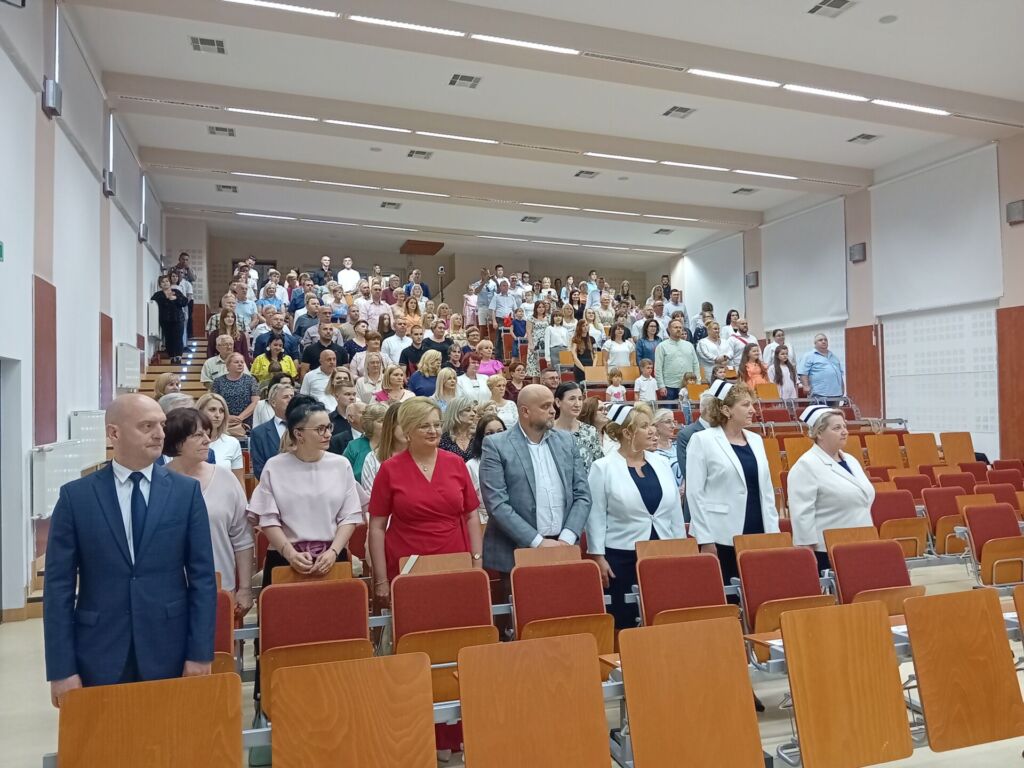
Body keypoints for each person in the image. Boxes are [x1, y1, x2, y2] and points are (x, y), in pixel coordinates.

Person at [44, 394, 216, 703]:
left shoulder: (185, 492)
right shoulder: (76, 498)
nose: (160, 434)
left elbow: (203, 579)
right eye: (147, 426)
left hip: (170, 647)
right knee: (108, 733)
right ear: (114, 433)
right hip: (99, 651)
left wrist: (200, 653)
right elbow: (58, 589)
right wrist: (61, 669)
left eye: (161, 425)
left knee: (168, 732)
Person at [250, 395, 366, 593]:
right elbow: (268, 519)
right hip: (285, 557)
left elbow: (350, 516)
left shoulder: (340, 465)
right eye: (320, 429)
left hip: (331, 557)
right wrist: (290, 553)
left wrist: (334, 551)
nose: (327, 434)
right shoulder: (275, 467)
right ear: (299, 433)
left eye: (329, 427)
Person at [586, 403, 686, 628]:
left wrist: (681, 546)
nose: (652, 430)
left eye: (652, 425)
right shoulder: (603, 467)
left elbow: (674, 512)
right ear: (627, 432)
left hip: (662, 552)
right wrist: (598, 556)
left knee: (664, 617)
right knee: (627, 622)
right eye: (644, 426)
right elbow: (595, 516)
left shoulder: (661, 463)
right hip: (621, 556)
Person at [478, 384, 592, 577]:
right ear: (525, 411)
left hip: (565, 548)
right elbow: (497, 504)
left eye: (552, 405)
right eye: (545, 406)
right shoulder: (496, 445)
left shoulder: (567, 441)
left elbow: (582, 494)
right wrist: (538, 542)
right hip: (517, 552)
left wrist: (567, 538)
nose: (553, 411)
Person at [686, 381, 780, 587]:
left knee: (760, 588)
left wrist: (773, 533)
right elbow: (694, 494)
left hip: (759, 529)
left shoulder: (756, 440)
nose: (753, 410)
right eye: (745, 405)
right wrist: (705, 539)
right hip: (721, 534)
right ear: (726, 410)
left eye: (752, 404)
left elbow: (766, 490)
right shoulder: (702, 440)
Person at [163, 409, 254, 615]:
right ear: (176, 441)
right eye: (198, 435)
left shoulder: (226, 478)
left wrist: (245, 588)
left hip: (220, 586)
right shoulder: (157, 482)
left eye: (207, 433)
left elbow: (243, 539)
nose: (207, 440)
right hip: (168, 591)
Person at [787, 406, 875, 572]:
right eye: (836, 428)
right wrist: (807, 552)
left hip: (862, 542)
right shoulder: (806, 465)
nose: (844, 432)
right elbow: (802, 514)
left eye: (844, 426)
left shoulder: (850, 460)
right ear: (819, 433)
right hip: (827, 551)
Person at [675, 391, 714, 523]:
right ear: (705, 410)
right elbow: (688, 472)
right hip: (698, 500)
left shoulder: (725, 432)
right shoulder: (686, 434)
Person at [553, 382, 603, 475]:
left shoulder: (590, 431)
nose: (577, 404)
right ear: (558, 402)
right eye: (572, 399)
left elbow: (598, 465)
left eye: (580, 399)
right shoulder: (548, 432)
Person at [196, 393, 245, 486]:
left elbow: (239, 482)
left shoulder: (232, 443)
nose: (218, 415)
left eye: (221, 411)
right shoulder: (188, 441)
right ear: (200, 411)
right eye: (212, 409)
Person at [466, 415, 506, 524]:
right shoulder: (471, 465)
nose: (496, 437)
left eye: (500, 431)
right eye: (489, 433)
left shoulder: (514, 460)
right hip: (483, 522)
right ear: (481, 438)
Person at [360, 403, 407, 497]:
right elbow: (371, 497)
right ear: (390, 426)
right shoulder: (372, 458)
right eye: (402, 423)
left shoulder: (422, 455)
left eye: (411, 423)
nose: (407, 428)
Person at [249, 382, 294, 479]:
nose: (290, 400)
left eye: (292, 396)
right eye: (285, 397)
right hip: (273, 484)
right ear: (273, 403)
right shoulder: (259, 433)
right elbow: (259, 469)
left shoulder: (306, 428)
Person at [211, 353, 260, 431]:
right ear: (228, 365)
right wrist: (227, 417)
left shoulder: (251, 380)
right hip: (224, 421)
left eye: (242, 362)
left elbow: (255, 402)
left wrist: (240, 418)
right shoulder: (218, 381)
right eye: (236, 362)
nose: (240, 364)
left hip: (246, 422)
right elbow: (214, 402)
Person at [655, 319, 700, 401]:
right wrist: (661, 385)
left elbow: (695, 364)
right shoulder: (662, 346)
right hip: (669, 386)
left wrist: (698, 383)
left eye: (680, 327)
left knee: (687, 409)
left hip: (688, 385)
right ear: (669, 329)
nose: (678, 329)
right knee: (668, 409)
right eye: (675, 327)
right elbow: (658, 368)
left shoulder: (689, 345)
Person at [343, 403, 388, 483]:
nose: (386, 425)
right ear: (369, 423)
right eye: (381, 421)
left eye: (388, 420)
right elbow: (342, 476)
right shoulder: (354, 447)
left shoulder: (395, 445)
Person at [151, 275, 190, 363]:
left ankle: (178, 357)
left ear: (170, 283)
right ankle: (172, 357)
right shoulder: (158, 295)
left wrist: (176, 298)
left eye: (167, 281)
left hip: (178, 319)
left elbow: (184, 301)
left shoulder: (176, 292)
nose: (165, 283)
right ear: (160, 285)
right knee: (169, 338)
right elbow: (154, 302)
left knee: (178, 337)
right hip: (165, 320)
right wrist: (167, 298)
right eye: (163, 282)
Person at [799, 334, 845, 403]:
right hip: (819, 394)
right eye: (820, 340)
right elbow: (803, 372)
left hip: (836, 394)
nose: (823, 341)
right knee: (821, 410)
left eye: (825, 340)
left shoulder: (834, 356)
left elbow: (839, 374)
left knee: (835, 410)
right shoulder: (809, 356)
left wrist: (842, 388)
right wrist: (805, 386)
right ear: (815, 343)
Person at [439, 396, 479, 461]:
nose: (473, 414)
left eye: (474, 411)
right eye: (468, 410)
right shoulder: (443, 439)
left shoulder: (476, 437)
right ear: (456, 412)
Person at [569, 319, 594, 384]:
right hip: (579, 367)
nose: (585, 327)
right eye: (583, 326)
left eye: (587, 325)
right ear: (579, 327)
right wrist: (584, 369)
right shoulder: (575, 339)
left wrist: (593, 367)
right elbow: (574, 357)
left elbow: (594, 354)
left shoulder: (592, 339)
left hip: (590, 366)